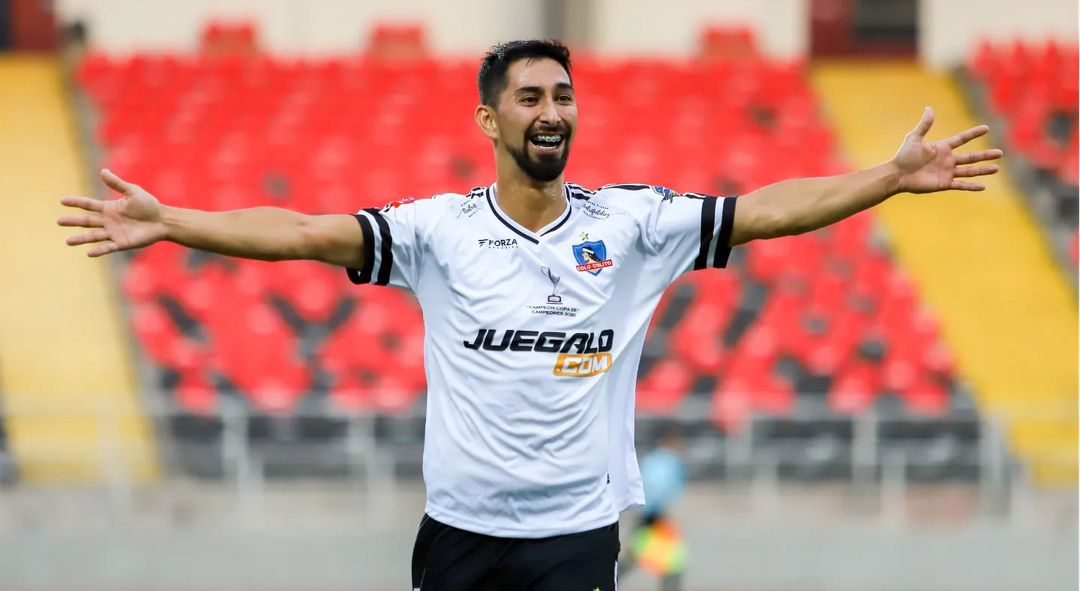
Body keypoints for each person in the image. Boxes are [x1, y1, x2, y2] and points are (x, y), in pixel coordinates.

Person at [58, 39, 1001, 591]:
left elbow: (764, 211)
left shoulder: (633, 223)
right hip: (459, 532)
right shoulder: (436, 232)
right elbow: (302, 232)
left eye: (563, 96)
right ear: (489, 120)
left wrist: (886, 177)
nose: (552, 112)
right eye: (530, 98)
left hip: (577, 536)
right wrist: (173, 219)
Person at [621, 426, 688, 591]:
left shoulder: (649, 459)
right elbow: (666, 490)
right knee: (673, 561)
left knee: (634, 556)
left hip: (645, 514)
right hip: (657, 517)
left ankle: (608, 581)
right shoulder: (672, 461)